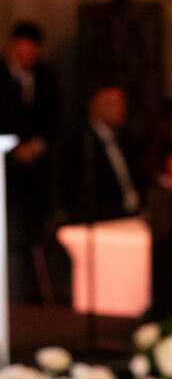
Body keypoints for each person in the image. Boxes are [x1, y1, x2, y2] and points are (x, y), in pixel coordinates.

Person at [1, 21, 60, 303]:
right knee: (8, 230)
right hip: (5, 169)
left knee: (35, 232)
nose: (27, 56)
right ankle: (10, 294)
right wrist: (12, 147)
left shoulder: (46, 77)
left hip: (36, 172)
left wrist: (36, 146)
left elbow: (54, 119)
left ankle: (33, 293)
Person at [63, 83, 142, 222]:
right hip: (103, 220)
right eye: (111, 103)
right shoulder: (82, 144)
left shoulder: (127, 140)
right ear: (95, 107)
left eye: (121, 102)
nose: (119, 108)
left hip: (132, 216)